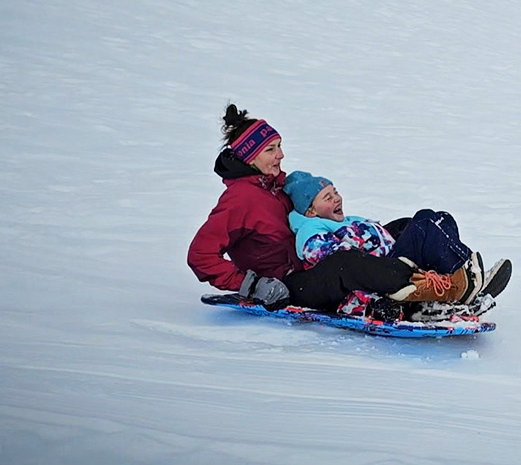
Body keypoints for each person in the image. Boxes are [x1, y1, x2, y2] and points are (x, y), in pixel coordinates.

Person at [187, 105, 493, 312]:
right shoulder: (240, 200)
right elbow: (200, 255)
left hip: (315, 261)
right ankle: (422, 291)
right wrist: (251, 285)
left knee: (409, 225)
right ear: (249, 157)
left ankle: (459, 278)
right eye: (271, 149)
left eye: (279, 146)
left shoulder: (277, 186)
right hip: (293, 284)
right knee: (347, 262)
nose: (281, 155)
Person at [283, 170, 512, 293]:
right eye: (327, 197)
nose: (337, 198)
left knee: (437, 218)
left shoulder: (343, 220)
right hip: (382, 268)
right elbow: (325, 257)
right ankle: (465, 275)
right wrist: (358, 241)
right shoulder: (310, 228)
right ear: (311, 211)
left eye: (336, 192)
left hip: (389, 258)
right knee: (425, 226)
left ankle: (463, 275)